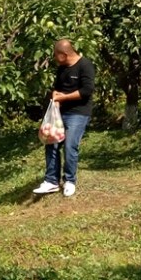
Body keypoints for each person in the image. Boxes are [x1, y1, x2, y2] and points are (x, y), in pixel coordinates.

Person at [33, 39, 94, 198]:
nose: (54, 58)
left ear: (64, 54)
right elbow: (57, 89)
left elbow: (87, 90)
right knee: (51, 142)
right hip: (60, 112)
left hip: (79, 113)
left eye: (55, 55)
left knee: (70, 145)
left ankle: (69, 181)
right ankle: (51, 181)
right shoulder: (61, 68)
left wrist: (64, 98)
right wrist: (55, 99)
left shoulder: (85, 65)